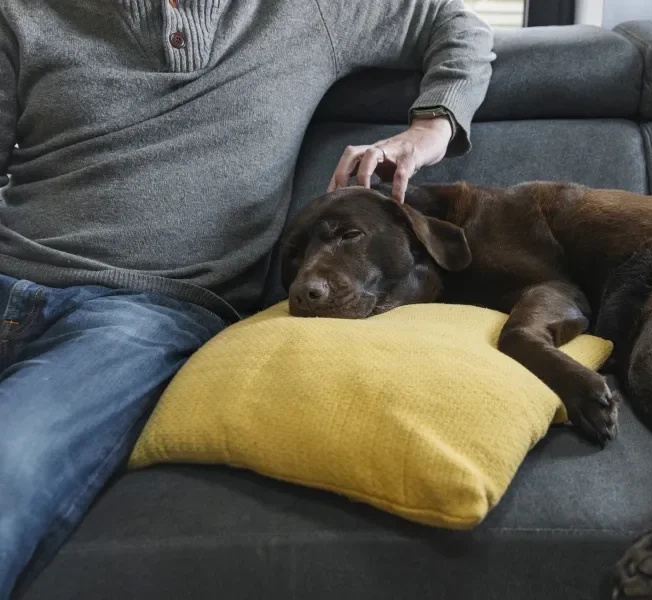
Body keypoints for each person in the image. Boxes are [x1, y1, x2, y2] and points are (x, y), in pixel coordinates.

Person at [0, 1, 494, 596]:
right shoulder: (22, 14)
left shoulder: (309, 12)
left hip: (140, 311)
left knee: (12, 463)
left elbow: (450, 21)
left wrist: (430, 127)